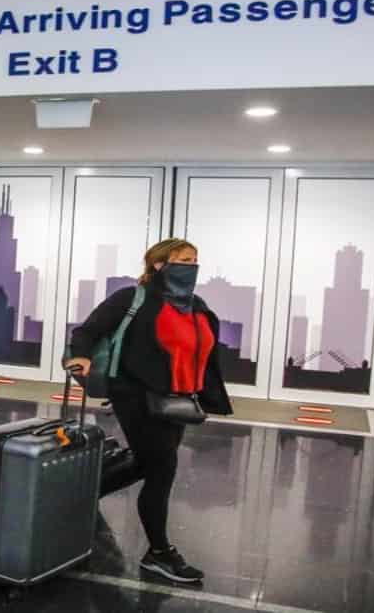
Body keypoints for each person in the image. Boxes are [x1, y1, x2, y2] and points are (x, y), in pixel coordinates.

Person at [65, 238, 233, 584]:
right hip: (136, 395)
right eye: (184, 260)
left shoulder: (194, 304)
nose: (193, 266)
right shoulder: (131, 299)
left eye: (195, 260)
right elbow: (88, 330)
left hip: (177, 399)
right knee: (162, 468)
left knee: (147, 462)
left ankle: (82, 493)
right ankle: (158, 553)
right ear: (159, 264)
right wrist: (78, 355)